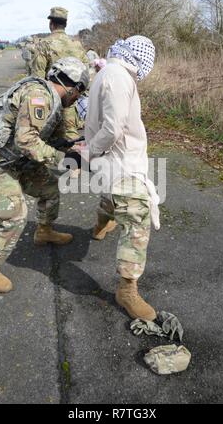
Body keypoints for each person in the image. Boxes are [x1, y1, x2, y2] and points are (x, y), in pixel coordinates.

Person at [0, 57, 89, 294]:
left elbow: (49, 139)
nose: (77, 99)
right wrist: (65, 159)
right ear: (73, 87)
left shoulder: (52, 102)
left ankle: (44, 232)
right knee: (14, 214)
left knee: (50, 189)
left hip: (16, 158)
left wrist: (72, 147)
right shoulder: (39, 96)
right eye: (79, 93)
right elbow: (27, 142)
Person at [84, 35, 159, 322]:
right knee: (137, 219)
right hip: (121, 163)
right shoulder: (118, 76)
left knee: (112, 199)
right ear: (140, 58)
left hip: (113, 163)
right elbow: (113, 128)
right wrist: (90, 152)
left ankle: (100, 225)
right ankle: (127, 291)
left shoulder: (109, 72)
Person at [31, 7, 88, 140]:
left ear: (51, 24)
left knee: (46, 143)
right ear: (65, 25)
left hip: (50, 102)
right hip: (72, 101)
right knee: (71, 141)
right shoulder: (77, 45)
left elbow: (36, 80)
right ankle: (75, 160)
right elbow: (86, 76)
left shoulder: (43, 45)